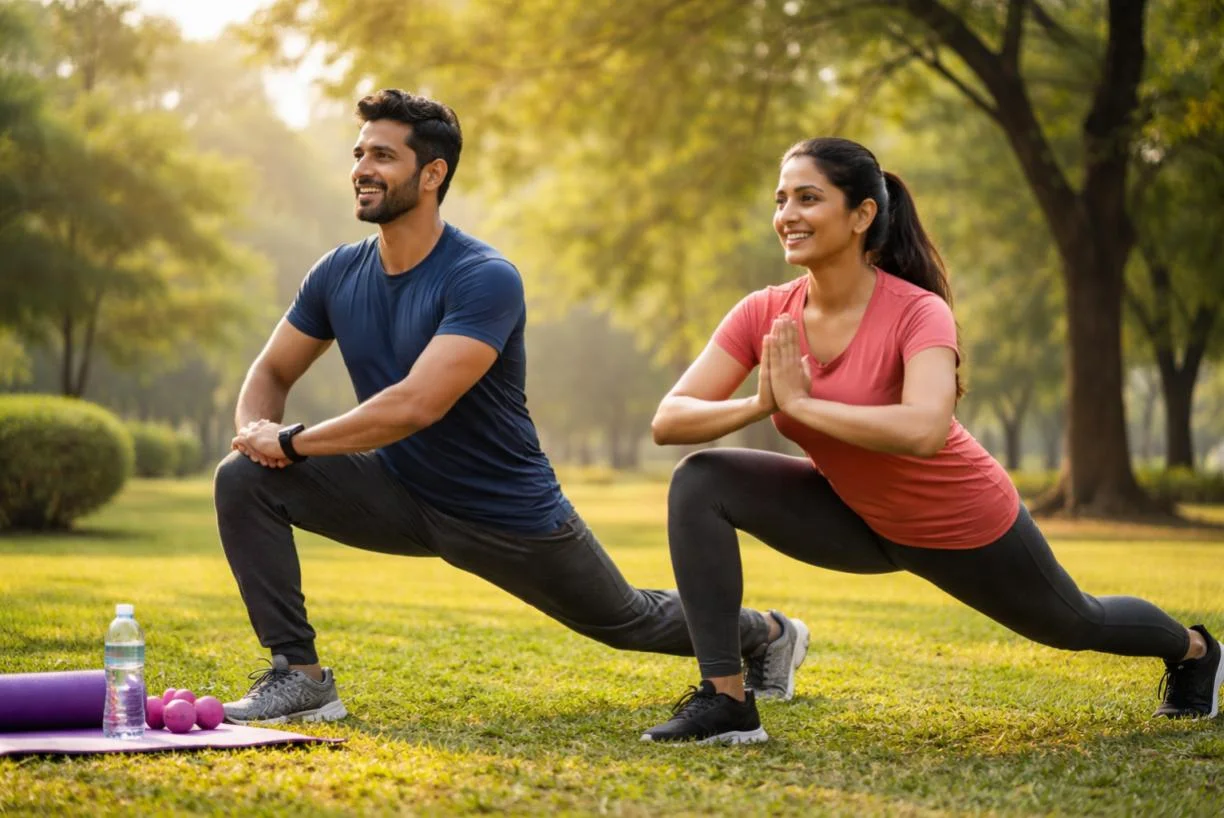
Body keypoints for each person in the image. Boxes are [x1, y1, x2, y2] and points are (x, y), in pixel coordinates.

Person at [213, 89, 810, 726]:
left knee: (626, 619)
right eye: (359, 153)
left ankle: (768, 635)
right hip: (396, 493)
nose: (362, 167)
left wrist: (294, 442)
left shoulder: (483, 276)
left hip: (503, 510)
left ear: (432, 173)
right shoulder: (336, 272)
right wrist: (255, 431)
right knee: (244, 478)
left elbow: (418, 403)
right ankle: (299, 677)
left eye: (383, 155)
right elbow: (274, 369)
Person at [640, 137, 1223, 744]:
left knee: (1074, 620)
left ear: (862, 214)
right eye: (781, 199)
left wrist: (805, 403)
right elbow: (669, 419)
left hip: (959, 524)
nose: (787, 215)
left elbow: (923, 429)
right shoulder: (765, 312)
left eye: (808, 198)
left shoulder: (918, 312)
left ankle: (1195, 650)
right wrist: (762, 402)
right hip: (857, 519)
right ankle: (727, 702)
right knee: (700, 480)